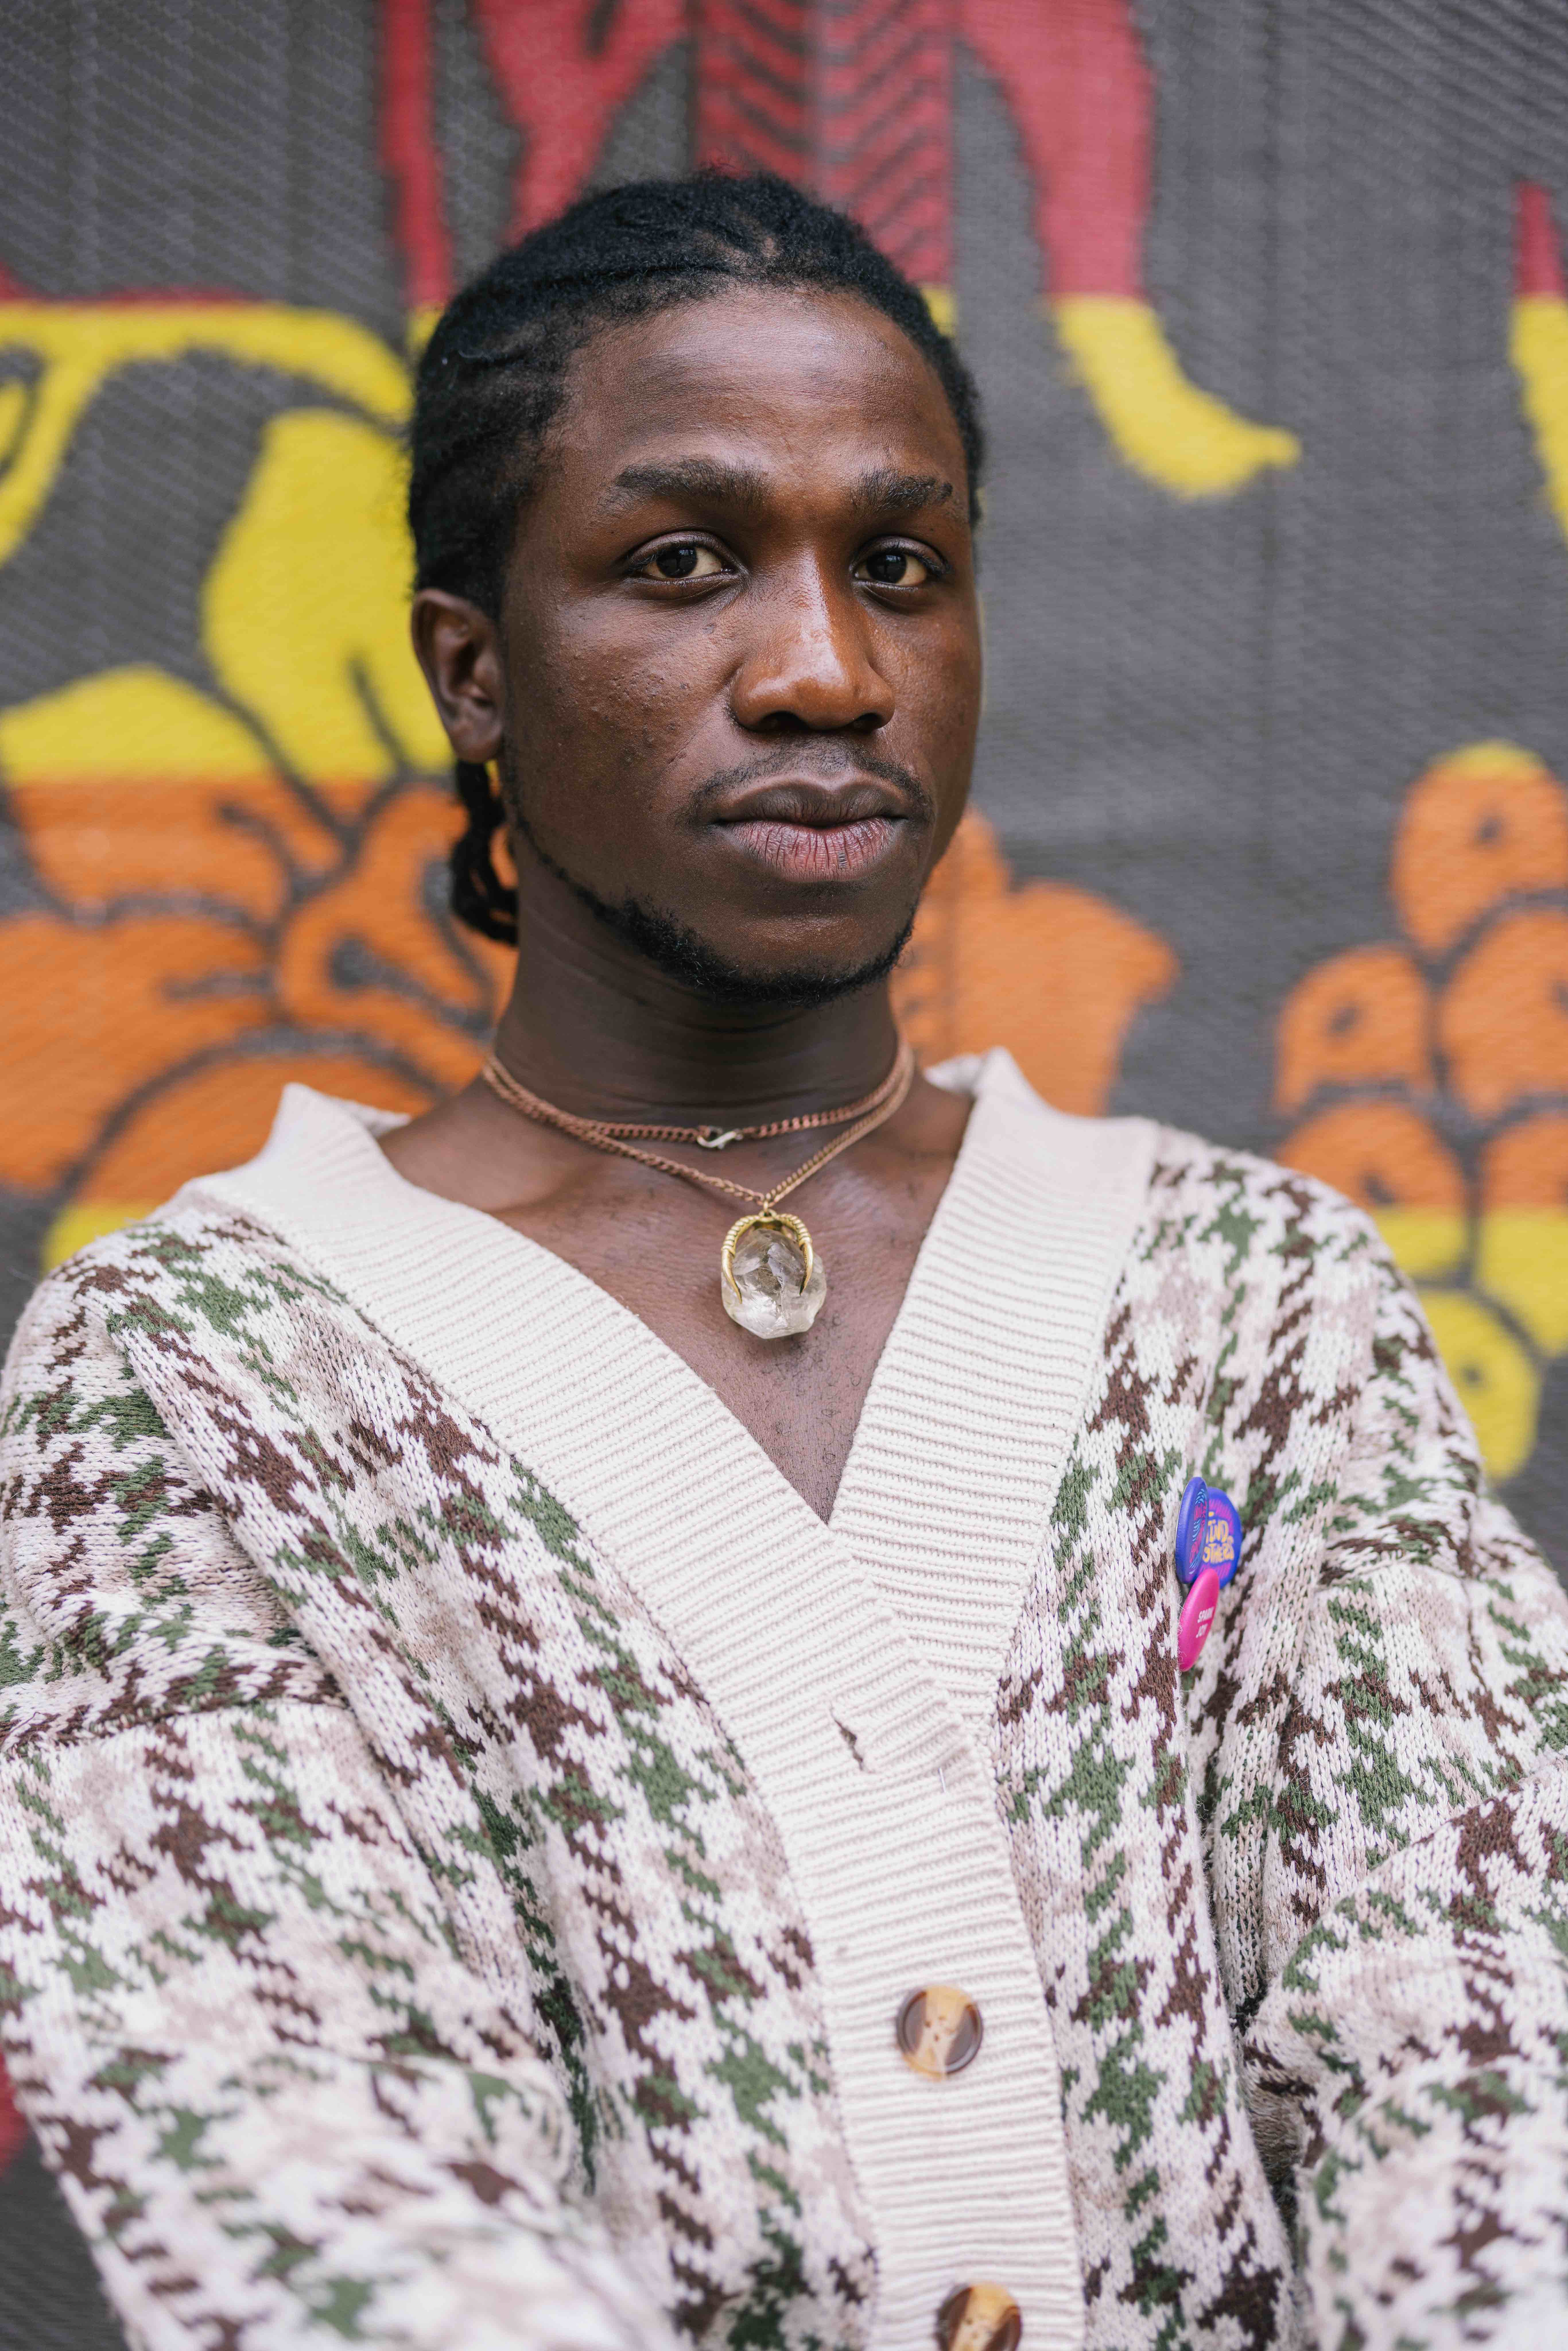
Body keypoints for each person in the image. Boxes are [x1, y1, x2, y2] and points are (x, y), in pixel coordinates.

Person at [1, 172, 1565, 2351]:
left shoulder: (1251, 1297)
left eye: (899, 567)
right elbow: (296, 2157)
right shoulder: (201, 1363)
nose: (826, 669)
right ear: (474, 668)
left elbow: (1480, 2057)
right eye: (681, 564)